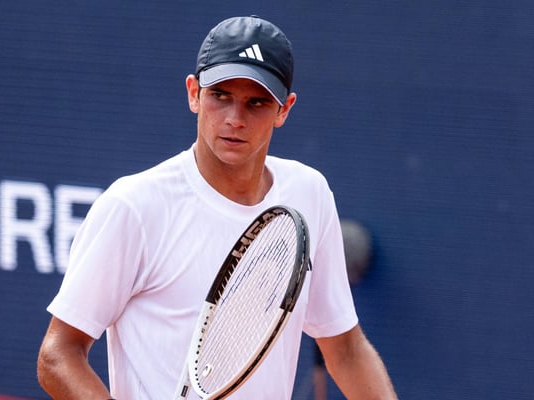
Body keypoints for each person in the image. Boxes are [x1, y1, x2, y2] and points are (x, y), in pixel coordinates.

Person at [37, 16, 398, 400]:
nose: (234, 119)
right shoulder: (133, 207)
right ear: (194, 93)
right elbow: (58, 355)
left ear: (284, 109)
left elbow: (345, 349)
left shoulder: (310, 194)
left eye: (256, 102)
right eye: (220, 96)